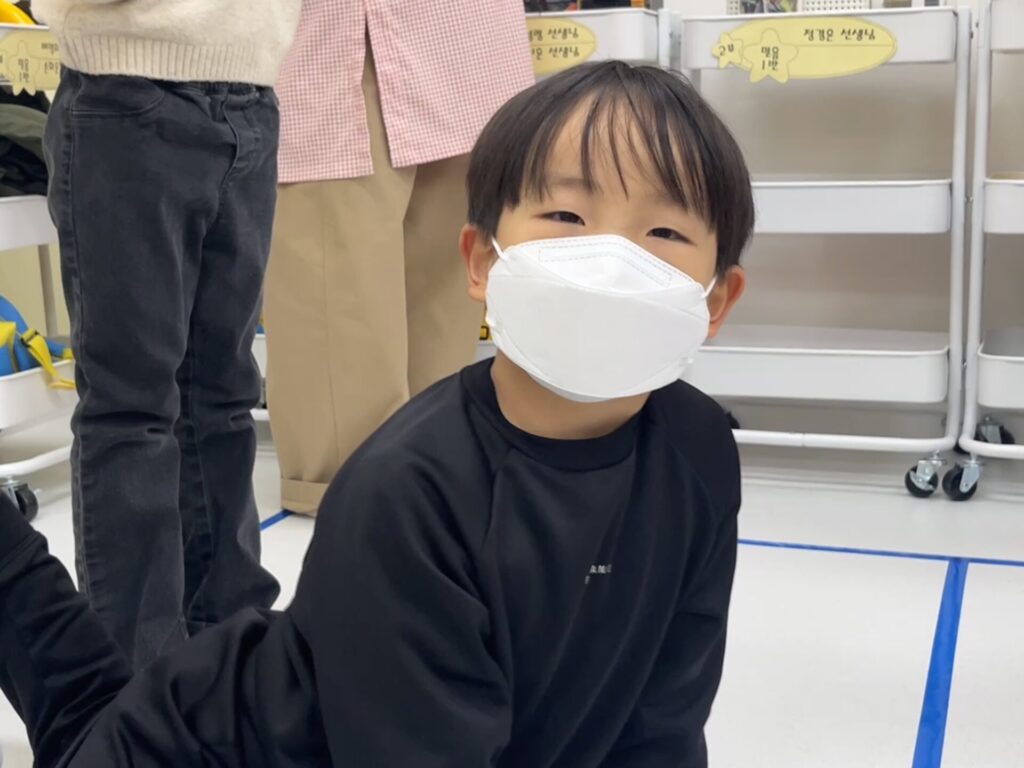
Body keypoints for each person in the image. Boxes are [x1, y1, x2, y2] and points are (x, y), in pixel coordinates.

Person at [0, 61, 753, 766]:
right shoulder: (411, 489)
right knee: (84, 714)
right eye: (566, 214)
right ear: (481, 262)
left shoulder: (700, 450)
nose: (610, 263)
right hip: (185, 750)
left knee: (79, 697)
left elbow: (664, 720)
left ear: (717, 298)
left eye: (664, 232)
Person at [35, 0, 300, 669]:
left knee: (224, 400)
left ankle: (232, 657)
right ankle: (138, 681)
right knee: (134, 409)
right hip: (126, 89)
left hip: (253, 90)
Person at [264, 0, 535, 516]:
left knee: (445, 274)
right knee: (338, 277)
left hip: (465, 39)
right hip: (343, 39)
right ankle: (365, 495)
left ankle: (422, 480)